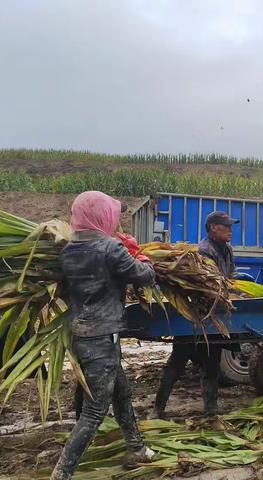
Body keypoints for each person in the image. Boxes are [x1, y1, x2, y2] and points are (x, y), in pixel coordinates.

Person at [51, 191, 156, 480]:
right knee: (95, 410)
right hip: (103, 335)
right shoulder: (110, 248)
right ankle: (62, 473)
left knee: (121, 392)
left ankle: (136, 448)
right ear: (102, 215)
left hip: (81, 334)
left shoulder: (68, 250)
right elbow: (145, 275)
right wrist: (138, 252)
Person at [155, 211, 239, 419]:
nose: (230, 230)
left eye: (230, 226)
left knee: (211, 365)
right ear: (212, 227)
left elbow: (231, 276)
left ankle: (211, 412)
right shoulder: (203, 251)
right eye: (226, 226)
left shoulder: (226, 249)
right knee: (177, 364)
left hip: (214, 317)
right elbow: (208, 284)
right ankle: (158, 409)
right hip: (195, 317)